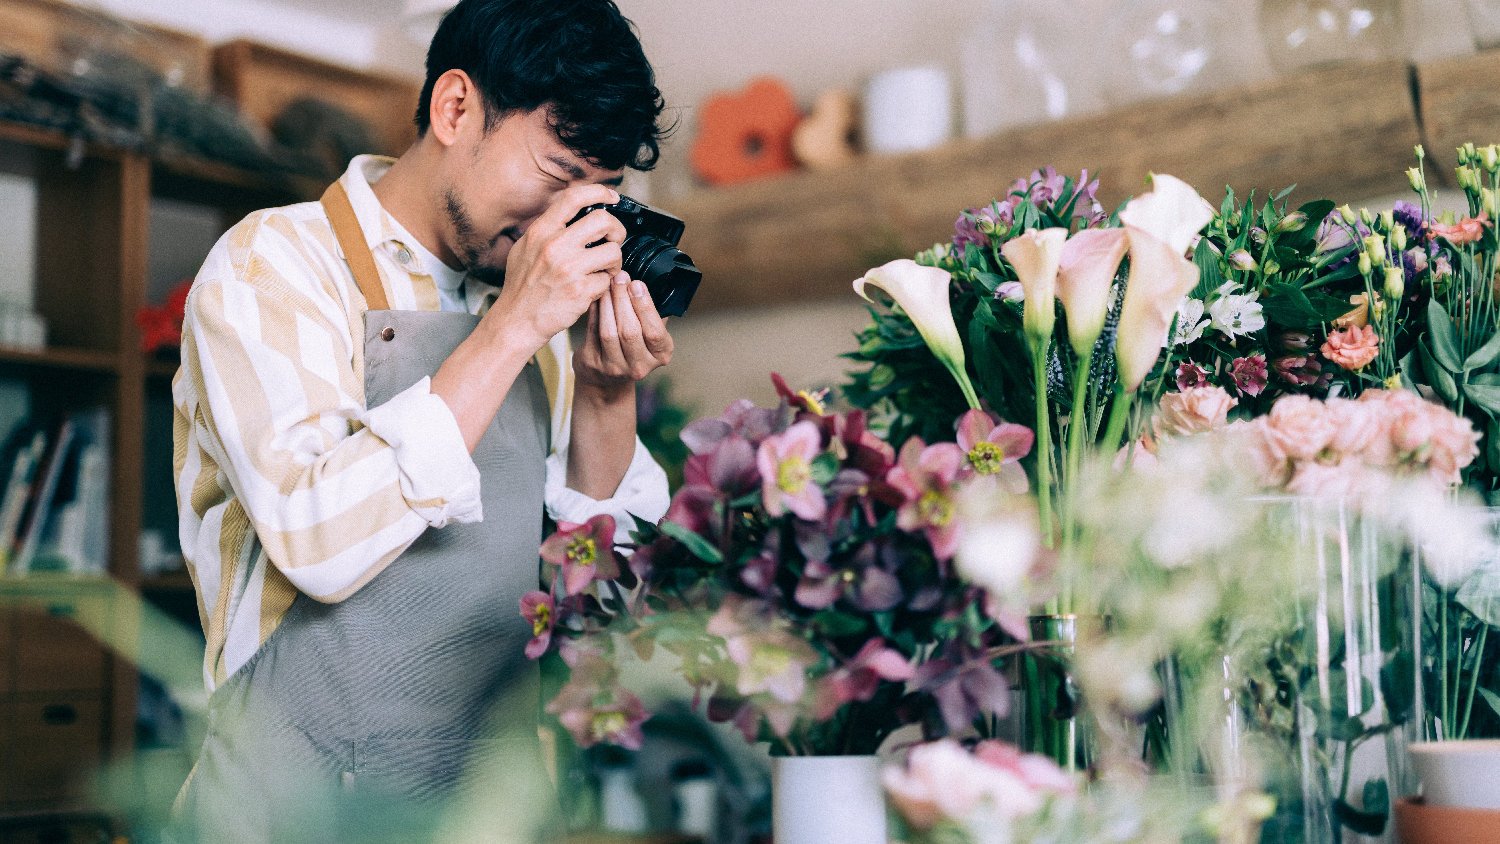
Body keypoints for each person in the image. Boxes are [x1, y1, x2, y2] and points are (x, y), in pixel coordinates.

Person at [168, 1, 673, 840]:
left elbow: (598, 615)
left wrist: (603, 393)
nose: (565, 225)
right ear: (454, 108)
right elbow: (318, 538)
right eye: (554, 179)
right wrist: (512, 328)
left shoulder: (533, 298)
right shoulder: (275, 264)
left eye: (596, 199)